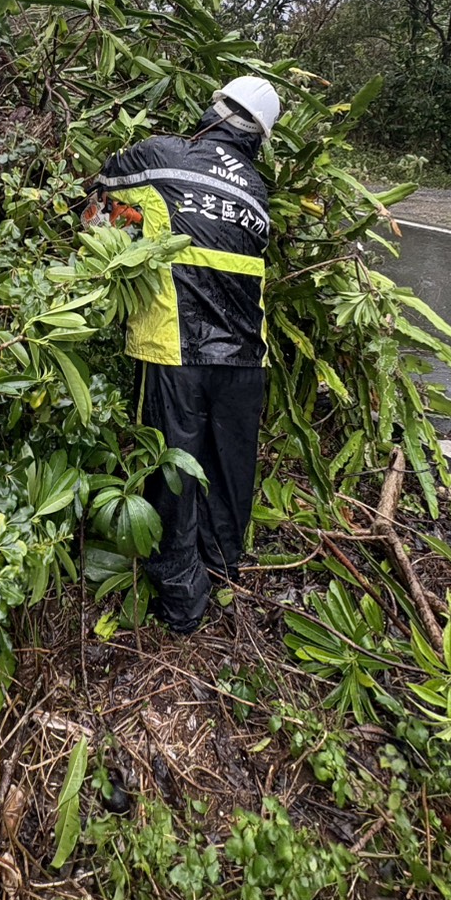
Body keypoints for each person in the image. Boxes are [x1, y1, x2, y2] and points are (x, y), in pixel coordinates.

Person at [86, 76, 279, 634]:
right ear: (258, 139)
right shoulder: (258, 191)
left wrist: (113, 232)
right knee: (229, 468)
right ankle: (224, 568)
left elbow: (99, 196)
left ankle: (181, 604)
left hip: (177, 347)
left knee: (173, 475)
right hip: (247, 355)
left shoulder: (161, 153)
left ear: (214, 111)